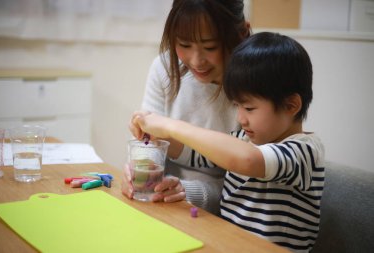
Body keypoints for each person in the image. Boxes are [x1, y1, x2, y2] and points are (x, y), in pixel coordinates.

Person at [130, 32, 325, 253]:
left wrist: (170, 126)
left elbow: (247, 160)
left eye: (249, 108)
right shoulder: (246, 138)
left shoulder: (304, 151)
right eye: (237, 107)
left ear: (291, 105)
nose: (241, 118)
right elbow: (200, 155)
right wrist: (159, 136)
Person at [122, 0, 251, 215]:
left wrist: (189, 191)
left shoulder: (255, 86)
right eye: (184, 44)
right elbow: (150, 146)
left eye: (210, 47)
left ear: (241, 33)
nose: (197, 60)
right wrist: (141, 170)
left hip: (227, 217)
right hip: (166, 205)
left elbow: (249, 181)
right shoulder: (164, 69)